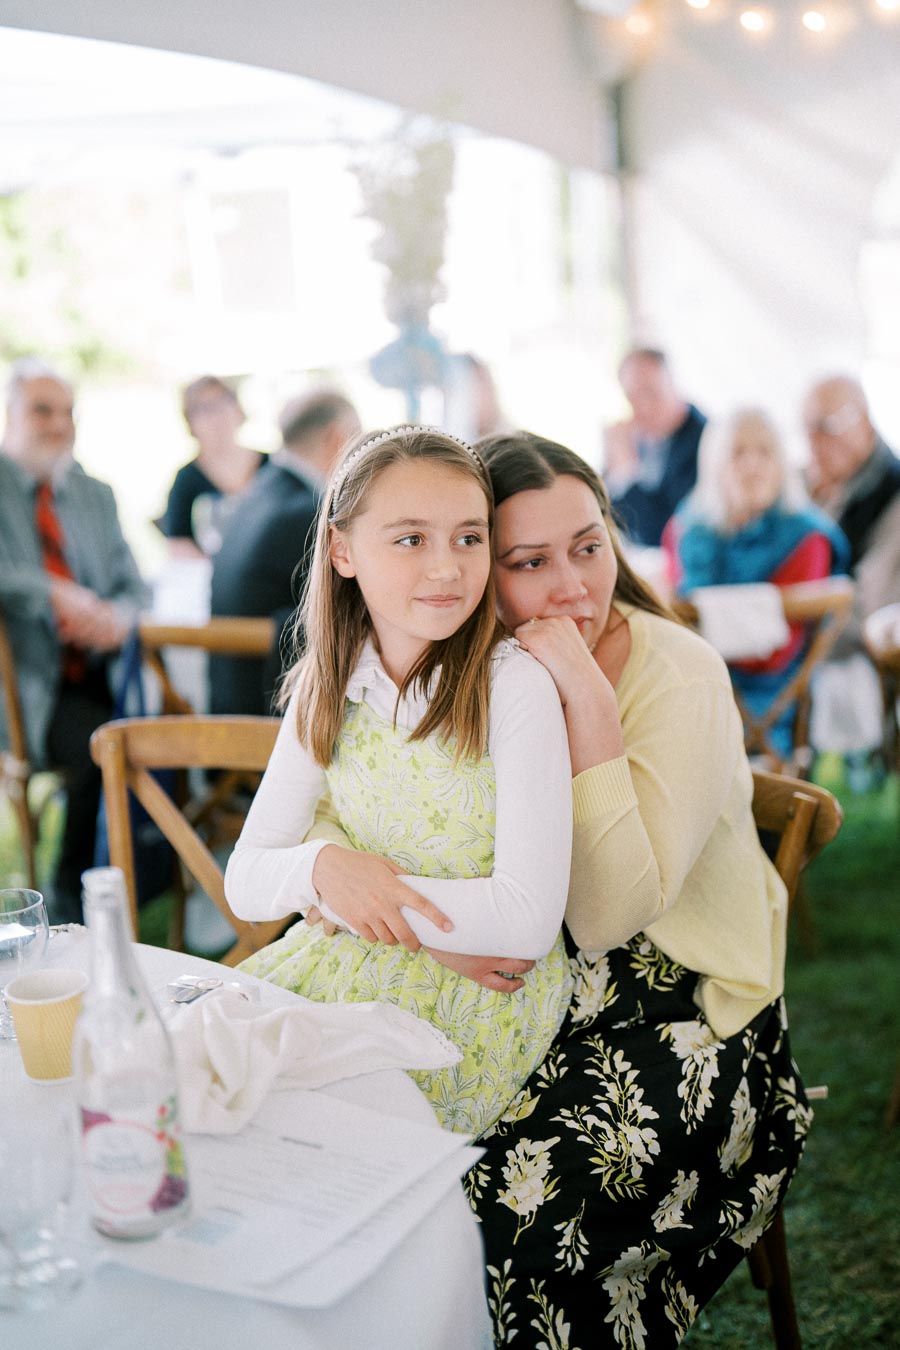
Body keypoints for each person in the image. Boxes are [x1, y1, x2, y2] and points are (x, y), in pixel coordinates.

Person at [305, 431, 811, 1348]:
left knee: (501, 1220)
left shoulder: (676, 671)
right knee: (350, 1162)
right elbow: (347, 796)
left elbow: (609, 914)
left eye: (589, 544)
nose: (574, 584)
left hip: (682, 1004)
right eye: (528, 561)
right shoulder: (463, 663)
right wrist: (335, 869)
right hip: (508, 976)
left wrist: (589, 698)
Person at [225, 426, 574, 1138]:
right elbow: (246, 878)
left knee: (316, 1135)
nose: (447, 568)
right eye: (411, 539)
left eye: (469, 538)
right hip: (350, 965)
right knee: (217, 1099)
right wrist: (324, 868)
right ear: (342, 551)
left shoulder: (513, 688)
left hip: (475, 1000)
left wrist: (353, 901)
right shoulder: (328, 688)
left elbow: (526, 920)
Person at [0, 357, 147, 921]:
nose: (59, 425)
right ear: (10, 414)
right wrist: (53, 592)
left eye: (68, 412)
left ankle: (155, 876)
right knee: (101, 746)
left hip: (98, 674)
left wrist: (115, 617)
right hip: (23, 693)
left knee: (160, 735)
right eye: (42, 410)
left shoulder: (94, 493)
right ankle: (70, 898)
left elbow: (135, 588)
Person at [664, 407, 850, 759]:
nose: (752, 465)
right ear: (715, 465)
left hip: (771, 699)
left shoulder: (808, 537)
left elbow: (774, 653)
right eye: (738, 453)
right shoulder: (688, 527)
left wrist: (705, 619)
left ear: (782, 463)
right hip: (691, 680)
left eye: (765, 452)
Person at [209, 390, 360, 716]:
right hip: (268, 708)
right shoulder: (308, 513)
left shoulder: (255, 493)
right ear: (338, 438)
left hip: (228, 697)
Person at [802, 375, 900, 784]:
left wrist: (791, 615)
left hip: (858, 638)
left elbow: (870, 600)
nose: (814, 443)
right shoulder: (817, 482)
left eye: (824, 427)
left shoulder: (892, 491)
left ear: (862, 422)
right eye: (807, 430)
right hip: (812, 625)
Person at [604, 347, 706, 547]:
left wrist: (627, 473)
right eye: (633, 398)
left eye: (651, 393)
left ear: (673, 384)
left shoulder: (706, 441)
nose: (643, 407)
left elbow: (663, 535)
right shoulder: (634, 438)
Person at [158, 375, 265, 557]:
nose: (216, 416)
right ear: (190, 422)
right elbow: (178, 542)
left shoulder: (272, 466)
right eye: (204, 409)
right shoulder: (186, 479)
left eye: (222, 403)